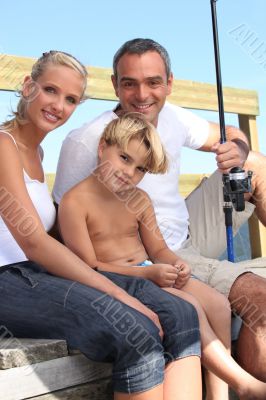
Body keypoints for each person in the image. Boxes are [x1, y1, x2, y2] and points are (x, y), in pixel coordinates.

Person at [53, 38, 266, 381]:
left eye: (153, 82)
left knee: (256, 163)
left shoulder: (175, 117)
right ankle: (241, 383)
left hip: (182, 234)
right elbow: (64, 228)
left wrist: (237, 150)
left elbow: (230, 134)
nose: (142, 95)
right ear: (114, 86)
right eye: (129, 83)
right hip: (156, 257)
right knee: (258, 299)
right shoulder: (86, 141)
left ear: (169, 83)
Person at [0, 50, 203, 400]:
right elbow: (33, 242)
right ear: (27, 85)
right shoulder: (2, 144)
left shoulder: (36, 153)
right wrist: (119, 293)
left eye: (71, 99)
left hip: (34, 274)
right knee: (134, 330)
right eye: (50, 90)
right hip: (9, 278)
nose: (58, 105)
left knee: (180, 312)